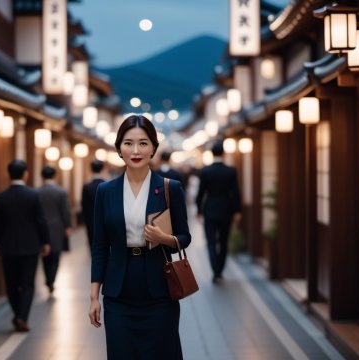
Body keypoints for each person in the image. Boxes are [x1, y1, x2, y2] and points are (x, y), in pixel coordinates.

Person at [88, 114, 191, 360]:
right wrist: (94, 296)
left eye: (143, 143)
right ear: (119, 148)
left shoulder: (170, 188)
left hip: (159, 291)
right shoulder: (105, 191)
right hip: (118, 294)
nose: (136, 150)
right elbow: (100, 247)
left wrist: (164, 238)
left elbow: (185, 237)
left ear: (154, 148)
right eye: (128, 143)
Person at [0, 159, 50, 332]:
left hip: (7, 247)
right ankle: (22, 317)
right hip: (30, 246)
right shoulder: (33, 195)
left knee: (11, 284)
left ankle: (18, 315)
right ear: (26, 173)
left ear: (8, 174)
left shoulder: (1, 197)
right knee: (27, 283)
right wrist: (45, 241)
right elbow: (41, 220)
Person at [195, 141, 241, 284]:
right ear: (224, 153)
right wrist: (237, 211)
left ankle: (215, 270)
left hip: (210, 209)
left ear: (212, 154)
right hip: (226, 209)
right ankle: (220, 270)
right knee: (223, 241)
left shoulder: (206, 171)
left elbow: (201, 192)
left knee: (210, 242)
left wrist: (198, 210)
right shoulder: (231, 170)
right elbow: (236, 192)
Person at [38, 165, 73, 294]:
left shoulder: (37, 192)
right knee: (56, 256)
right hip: (57, 227)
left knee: (45, 256)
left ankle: (48, 278)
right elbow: (65, 211)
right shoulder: (61, 192)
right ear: (55, 175)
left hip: (41, 229)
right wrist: (68, 226)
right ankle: (51, 279)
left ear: (42, 176)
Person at [81, 159, 106, 251]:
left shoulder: (87, 186)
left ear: (91, 169)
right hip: (106, 221)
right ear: (102, 169)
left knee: (93, 246)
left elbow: (84, 206)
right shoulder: (108, 185)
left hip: (91, 221)